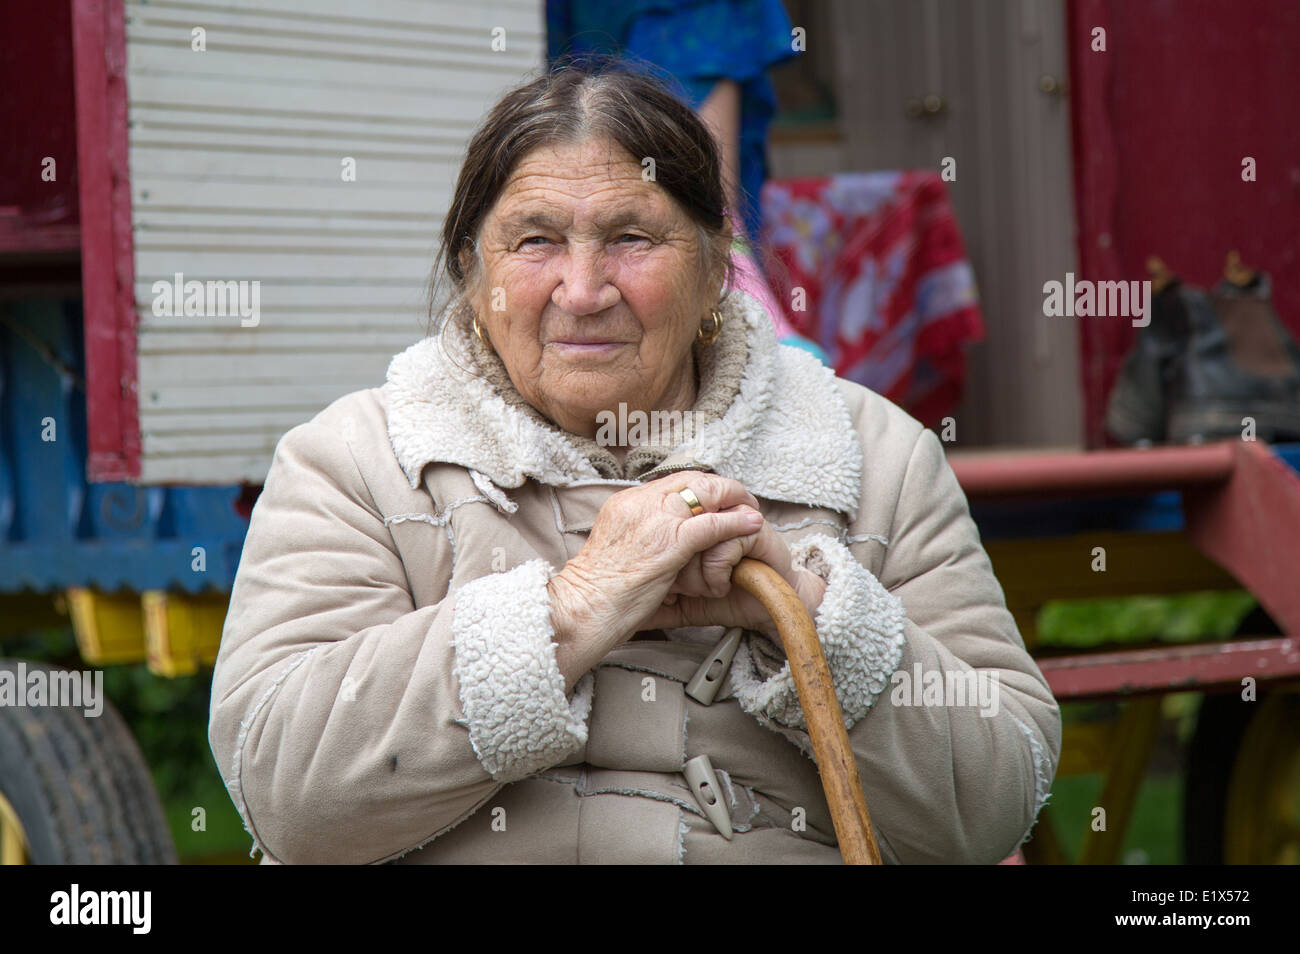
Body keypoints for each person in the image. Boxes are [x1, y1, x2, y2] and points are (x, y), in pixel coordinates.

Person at [208, 62, 1061, 865]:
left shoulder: (874, 456)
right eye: (534, 240)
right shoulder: (356, 462)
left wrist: (810, 610)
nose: (582, 289)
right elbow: (284, 791)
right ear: (472, 271)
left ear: (716, 267)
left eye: (630, 238)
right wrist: (573, 609)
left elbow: (992, 803)